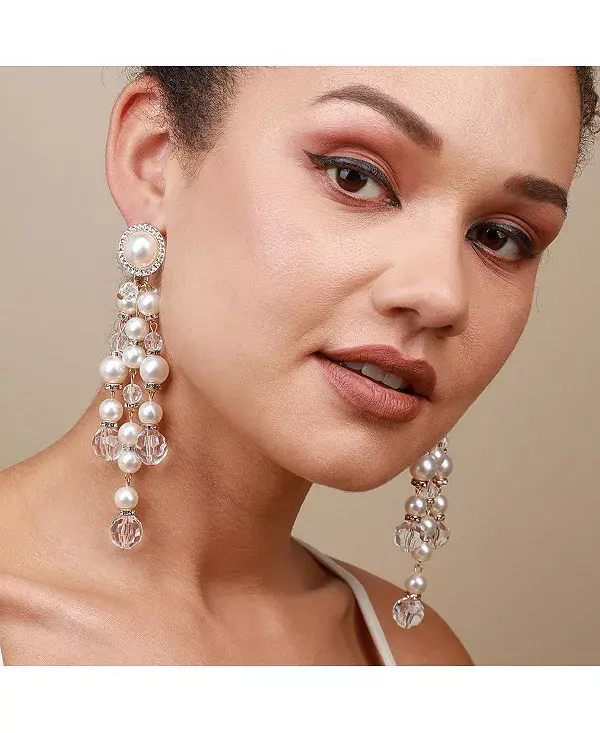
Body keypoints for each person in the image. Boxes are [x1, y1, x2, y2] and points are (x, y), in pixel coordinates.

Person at [0, 66, 598, 666]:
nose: (443, 295)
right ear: (153, 159)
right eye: (355, 176)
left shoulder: (419, 662)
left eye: (500, 237)